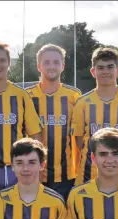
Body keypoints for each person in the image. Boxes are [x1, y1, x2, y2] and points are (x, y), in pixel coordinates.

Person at [0, 42, 43, 190]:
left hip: (16, 169)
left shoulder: (21, 95)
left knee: (17, 213)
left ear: (9, 63)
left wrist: (37, 169)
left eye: (2, 60)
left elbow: (35, 134)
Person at [72, 47, 118, 187]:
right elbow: (79, 141)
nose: (105, 72)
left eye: (110, 67)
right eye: (101, 68)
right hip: (88, 174)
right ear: (93, 72)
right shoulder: (82, 102)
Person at [26, 44, 83, 201]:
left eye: (56, 62)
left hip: (66, 174)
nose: (52, 66)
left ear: (62, 66)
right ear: (39, 66)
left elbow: (80, 133)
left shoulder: (74, 95)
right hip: (32, 173)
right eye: (46, 62)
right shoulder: (27, 96)